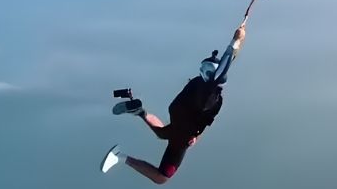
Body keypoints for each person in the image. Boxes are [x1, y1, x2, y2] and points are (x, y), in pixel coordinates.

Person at [100, 23, 246, 184]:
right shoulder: (211, 90)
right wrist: (236, 40)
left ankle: (140, 112)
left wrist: (238, 41)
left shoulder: (198, 83)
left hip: (180, 116)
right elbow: (226, 62)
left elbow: (225, 65)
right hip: (185, 128)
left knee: (163, 133)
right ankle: (120, 157)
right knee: (162, 177)